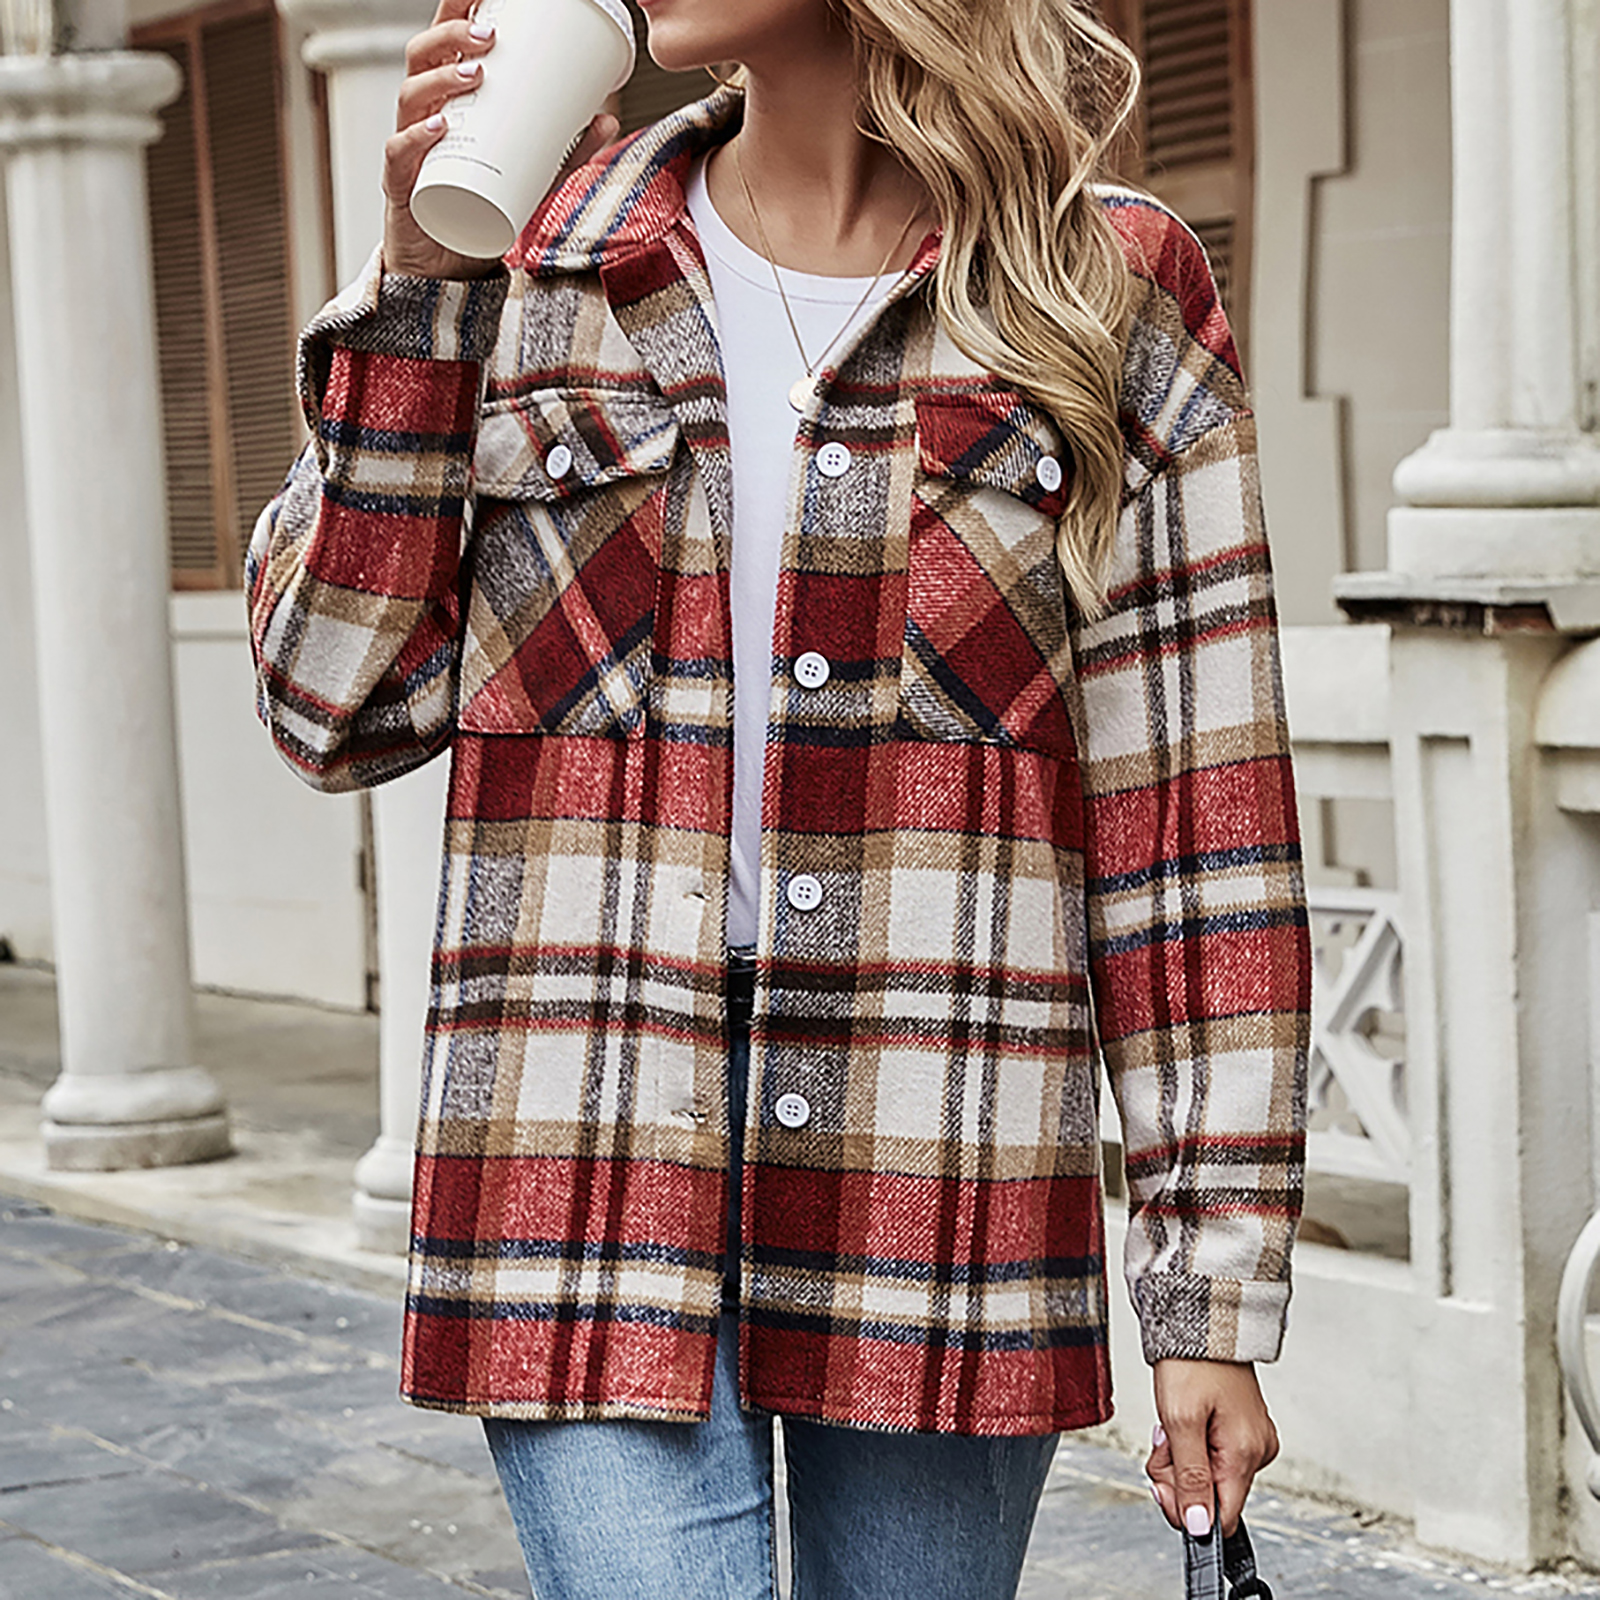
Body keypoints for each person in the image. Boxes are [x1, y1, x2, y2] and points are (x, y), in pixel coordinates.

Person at [247, 0, 1310, 1594]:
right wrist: (416, 290)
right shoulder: (531, 260)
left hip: (943, 1146)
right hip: (578, 1130)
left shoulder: (1109, 289)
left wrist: (1206, 1300)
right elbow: (331, 703)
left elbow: (1195, 827)